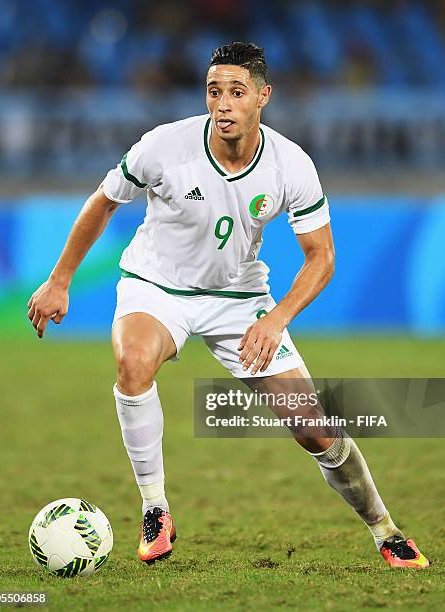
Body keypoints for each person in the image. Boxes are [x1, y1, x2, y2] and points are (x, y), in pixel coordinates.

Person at [28, 42, 428, 569]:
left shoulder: (290, 164)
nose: (223, 103)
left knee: (315, 429)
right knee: (132, 363)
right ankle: (155, 509)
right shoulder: (164, 146)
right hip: (157, 285)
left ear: (263, 96)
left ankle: (384, 529)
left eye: (237, 92)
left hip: (239, 299)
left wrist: (276, 318)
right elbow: (103, 202)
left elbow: (322, 258)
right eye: (214, 91)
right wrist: (59, 279)